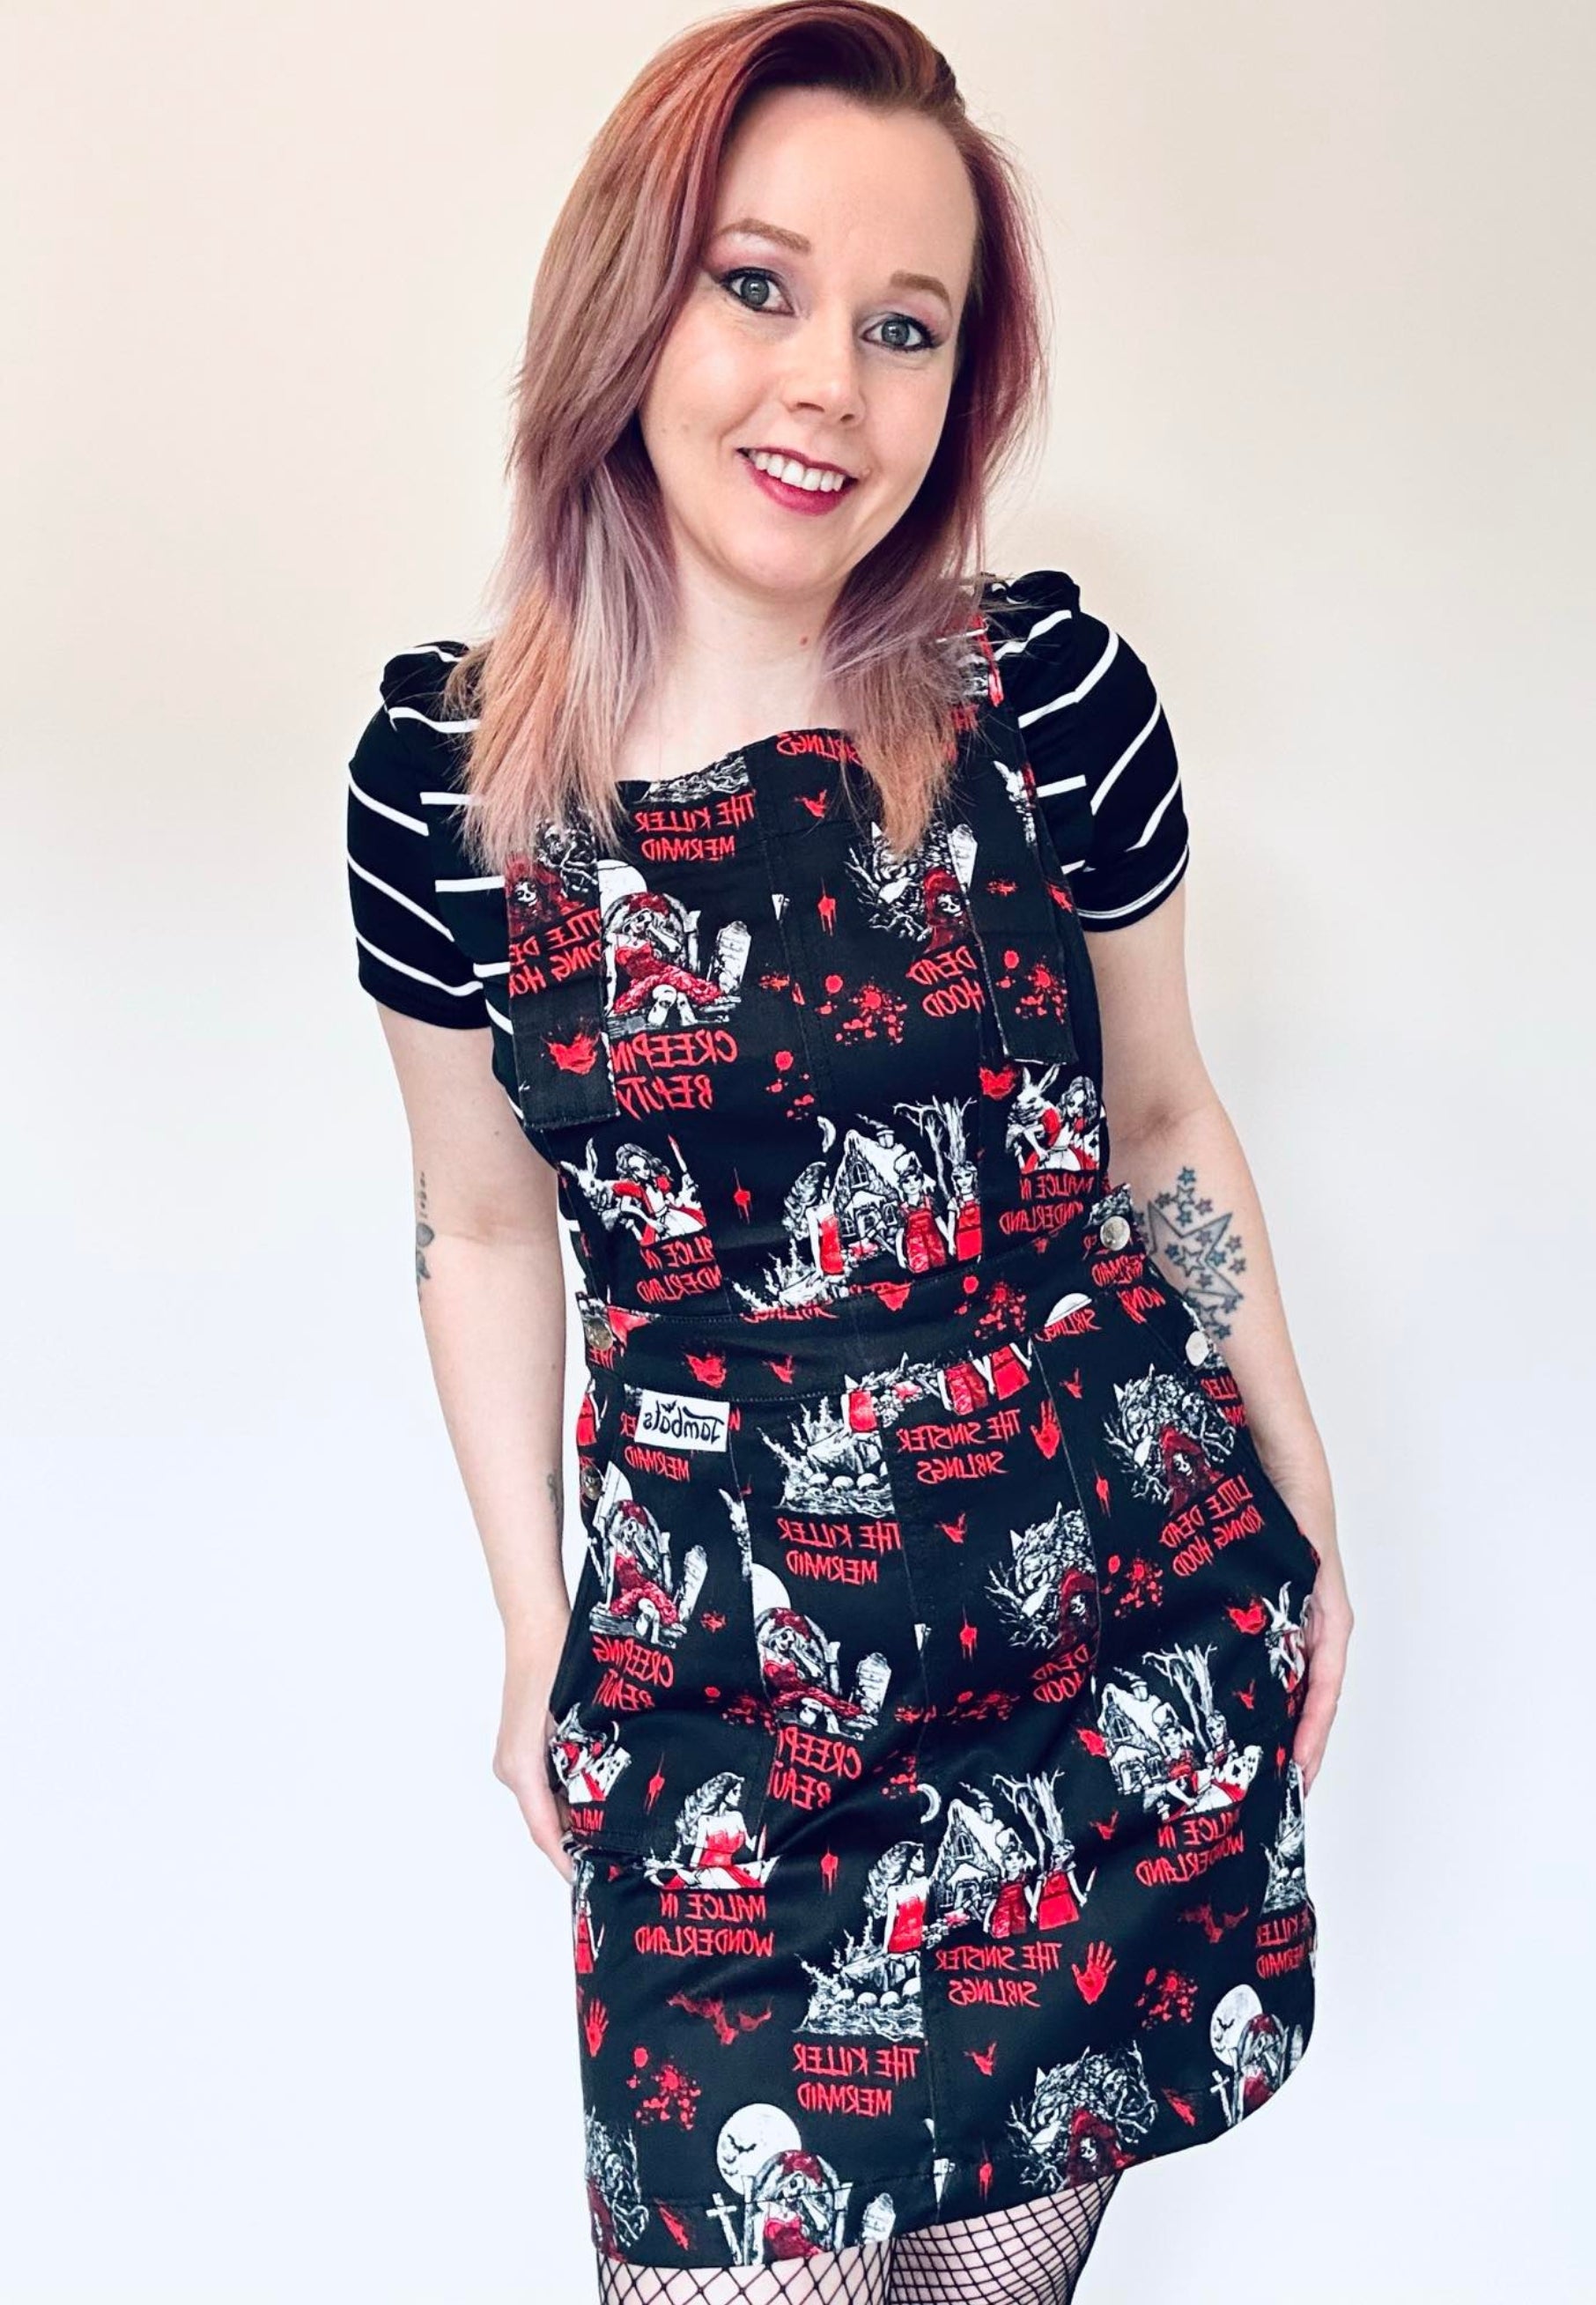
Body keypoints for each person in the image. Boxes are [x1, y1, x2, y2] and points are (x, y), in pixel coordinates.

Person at [344, 5, 1353, 2297]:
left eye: (906, 325)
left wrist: (1305, 1509)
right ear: (630, 295)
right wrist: (535, 1627)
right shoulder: (449, 786)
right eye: (758, 284)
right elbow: (482, 1227)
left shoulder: (1050, 702)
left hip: (1093, 1652)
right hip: (721, 1718)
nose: (829, 384)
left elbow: (1163, 1115)